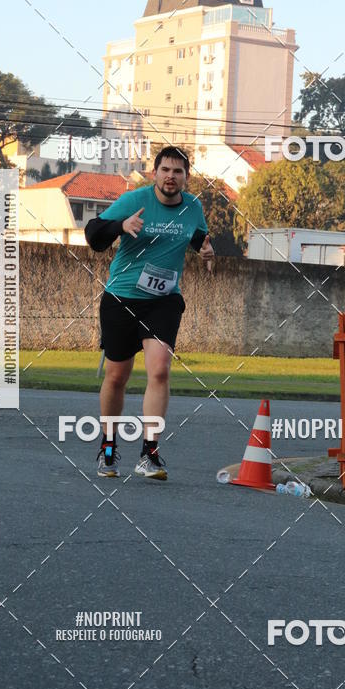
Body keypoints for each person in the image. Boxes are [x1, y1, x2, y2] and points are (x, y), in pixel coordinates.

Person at [84, 146, 214, 480]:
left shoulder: (193, 207)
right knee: (117, 376)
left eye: (178, 171)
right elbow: (93, 236)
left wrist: (206, 249)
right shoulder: (134, 200)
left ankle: (149, 454)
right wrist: (120, 225)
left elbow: (197, 235)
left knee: (159, 370)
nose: (171, 176)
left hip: (164, 300)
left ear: (186, 177)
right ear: (155, 173)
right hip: (122, 298)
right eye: (165, 170)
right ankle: (109, 449)